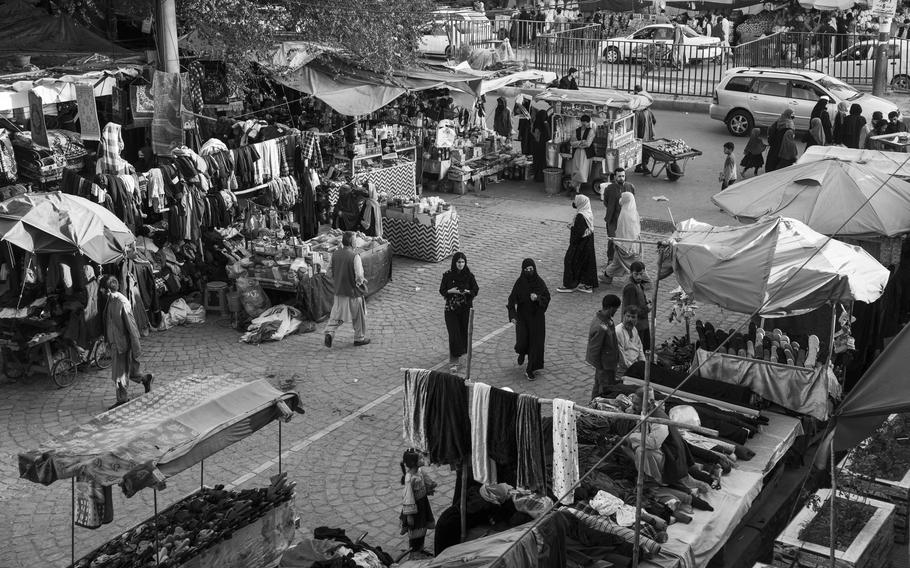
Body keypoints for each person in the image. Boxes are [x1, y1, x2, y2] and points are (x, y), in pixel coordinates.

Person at [104, 275, 152, 408]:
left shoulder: (122, 302)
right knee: (129, 371)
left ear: (108, 290)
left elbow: (132, 326)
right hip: (115, 343)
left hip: (123, 344)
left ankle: (122, 399)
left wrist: (136, 347)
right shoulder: (110, 300)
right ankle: (145, 379)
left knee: (120, 373)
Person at [323, 231, 370, 348]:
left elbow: (328, 272)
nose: (356, 242)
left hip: (339, 292)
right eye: (355, 240)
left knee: (336, 316)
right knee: (359, 316)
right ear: (351, 242)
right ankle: (359, 338)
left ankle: (329, 333)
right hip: (353, 292)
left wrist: (338, 277)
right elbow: (359, 276)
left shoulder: (335, 254)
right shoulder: (355, 256)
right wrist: (362, 281)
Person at [507, 258, 551, 381]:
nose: (529, 271)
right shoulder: (520, 283)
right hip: (523, 318)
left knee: (535, 344)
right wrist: (513, 316)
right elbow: (511, 301)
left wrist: (537, 298)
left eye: (531, 269)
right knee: (522, 342)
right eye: (526, 270)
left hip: (537, 319)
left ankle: (530, 369)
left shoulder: (539, 282)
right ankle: (522, 352)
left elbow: (547, 297)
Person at [439, 252, 479, 372]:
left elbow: (475, 289)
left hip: (465, 309)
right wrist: (451, 291)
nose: (460, 264)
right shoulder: (447, 275)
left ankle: (461, 350)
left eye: (462, 262)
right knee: (454, 333)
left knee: (463, 332)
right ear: (454, 262)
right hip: (451, 309)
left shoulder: (469, 276)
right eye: (458, 262)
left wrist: (467, 291)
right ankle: (454, 361)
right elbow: (442, 290)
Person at [399, 449, 436, 557]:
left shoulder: (419, 472)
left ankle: (420, 549)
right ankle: (414, 553)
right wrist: (409, 515)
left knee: (422, 527)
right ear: (413, 462)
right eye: (420, 458)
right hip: (415, 509)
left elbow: (426, 480)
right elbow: (408, 497)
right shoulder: (409, 478)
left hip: (422, 505)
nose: (422, 459)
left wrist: (430, 486)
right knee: (415, 530)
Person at [557, 195, 598, 293]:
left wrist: (571, 228)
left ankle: (569, 285)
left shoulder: (581, 216)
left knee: (570, 261)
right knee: (586, 263)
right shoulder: (588, 212)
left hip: (580, 245)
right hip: (588, 243)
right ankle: (588, 285)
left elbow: (578, 233)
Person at [585, 294, 621, 399]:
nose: (616, 312)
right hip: (604, 366)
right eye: (615, 309)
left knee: (599, 387)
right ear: (610, 308)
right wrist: (600, 368)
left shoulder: (607, 320)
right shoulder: (600, 326)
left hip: (609, 364)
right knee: (603, 390)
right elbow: (594, 349)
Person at [602, 191, 642, 285]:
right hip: (632, 244)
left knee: (626, 263)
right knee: (618, 262)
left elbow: (622, 231)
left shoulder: (625, 214)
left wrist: (618, 243)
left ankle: (642, 279)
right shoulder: (632, 211)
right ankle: (607, 276)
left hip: (625, 245)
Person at [602, 167, 636, 263]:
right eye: (619, 176)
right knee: (612, 239)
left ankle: (623, 259)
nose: (621, 178)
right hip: (613, 219)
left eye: (623, 176)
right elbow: (606, 202)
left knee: (625, 239)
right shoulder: (609, 188)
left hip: (626, 219)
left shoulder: (630, 187)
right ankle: (611, 259)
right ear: (615, 177)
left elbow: (632, 202)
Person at [622, 260, 652, 352]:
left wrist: (646, 302)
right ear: (631, 273)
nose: (639, 277)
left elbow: (639, 300)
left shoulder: (638, 285)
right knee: (637, 350)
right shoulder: (630, 288)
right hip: (635, 325)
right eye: (636, 274)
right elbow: (631, 310)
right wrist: (647, 308)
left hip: (641, 323)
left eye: (641, 274)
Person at [568, 114, 596, 193]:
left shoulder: (591, 131)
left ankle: (572, 186)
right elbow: (572, 142)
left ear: (589, 122)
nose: (584, 123)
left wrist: (578, 143)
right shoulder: (576, 130)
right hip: (577, 153)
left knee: (582, 172)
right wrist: (581, 142)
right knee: (576, 170)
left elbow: (588, 144)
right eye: (583, 122)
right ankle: (577, 189)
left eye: (586, 122)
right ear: (581, 122)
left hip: (586, 154)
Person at [616, 306, 646, 376]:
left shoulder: (634, 329)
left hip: (636, 366)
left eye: (633, 317)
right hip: (625, 370)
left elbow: (640, 348)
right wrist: (636, 369)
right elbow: (622, 360)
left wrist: (643, 365)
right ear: (623, 316)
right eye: (628, 316)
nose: (630, 319)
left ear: (637, 319)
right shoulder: (618, 332)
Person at [531, 109, 552, 182]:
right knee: (543, 161)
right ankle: (542, 177)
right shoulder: (546, 124)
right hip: (545, 145)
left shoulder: (537, 124)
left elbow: (536, 136)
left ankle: (537, 177)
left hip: (538, 146)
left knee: (537, 161)